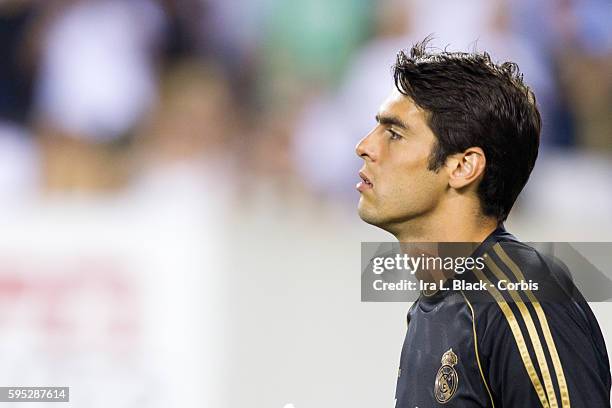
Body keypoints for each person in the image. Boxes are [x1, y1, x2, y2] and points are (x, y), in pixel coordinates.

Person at [355, 39, 611, 407]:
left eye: (394, 134)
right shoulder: (435, 307)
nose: (364, 146)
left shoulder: (524, 300)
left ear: (462, 167)